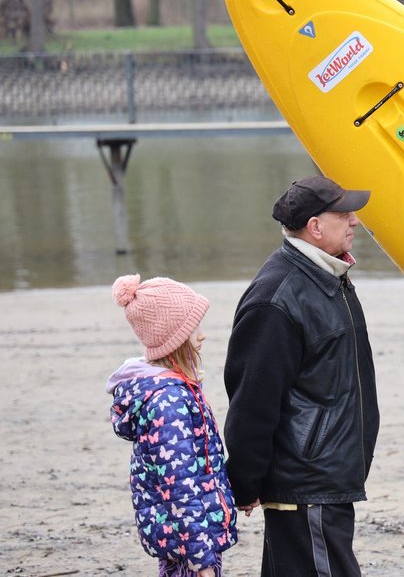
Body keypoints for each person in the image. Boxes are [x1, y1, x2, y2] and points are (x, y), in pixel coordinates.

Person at [223, 175, 380, 577]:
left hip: (323, 476)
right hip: (305, 482)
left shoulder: (328, 276)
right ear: (315, 226)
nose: (355, 222)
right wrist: (245, 481)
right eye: (344, 214)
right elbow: (252, 401)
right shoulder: (278, 297)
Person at [107, 274, 238, 577]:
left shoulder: (175, 389)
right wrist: (201, 559)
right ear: (174, 337)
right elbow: (180, 488)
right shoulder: (169, 402)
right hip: (190, 544)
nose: (202, 335)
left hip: (188, 539)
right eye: (194, 328)